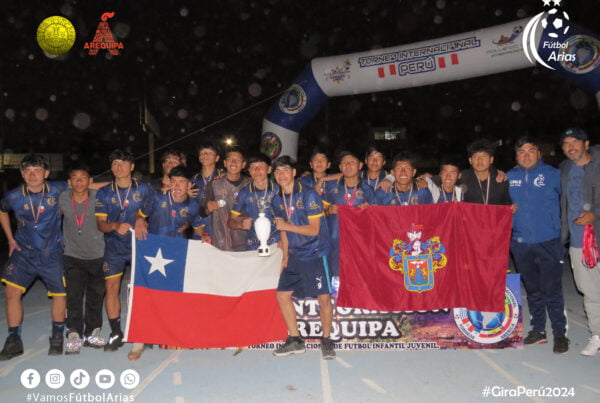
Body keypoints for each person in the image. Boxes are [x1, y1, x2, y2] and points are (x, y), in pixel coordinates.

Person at [0, 154, 69, 359]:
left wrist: (118, 182)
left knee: (60, 293)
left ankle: (57, 335)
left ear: (46, 173)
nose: (32, 175)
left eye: (37, 170)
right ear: (22, 174)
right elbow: (2, 211)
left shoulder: (57, 189)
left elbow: (85, 185)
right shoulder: (13, 196)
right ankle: (14, 340)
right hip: (24, 252)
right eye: (28, 171)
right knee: (12, 292)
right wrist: (10, 239)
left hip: (51, 252)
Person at [130, 166, 202, 359]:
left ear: (189, 185)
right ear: (169, 183)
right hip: (153, 256)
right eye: (174, 181)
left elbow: (199, 227)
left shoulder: (193, 205)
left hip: (177, 255)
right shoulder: (156, 198)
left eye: (181, 182)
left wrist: (203, 236)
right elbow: (139, 214)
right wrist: (139, 221)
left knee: (174, 297)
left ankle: (172, 336)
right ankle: (139, 341)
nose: (177, 186)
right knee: (146, 296)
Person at [270, 156, 335, 360]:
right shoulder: (276, 199)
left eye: (285, 170)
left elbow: (314, 230)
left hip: (315, 253)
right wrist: (285, 255)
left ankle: (326, 340)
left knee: (323, 298)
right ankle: (295, 340)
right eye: (277, 171)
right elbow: (282, 230)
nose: (281, 175)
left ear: (293, 172)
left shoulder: (309, 195)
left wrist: (286, 226)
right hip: (295, 255)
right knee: (282, 295)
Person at [508, 137, 568, 354]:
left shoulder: (553, 174)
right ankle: (538, 330)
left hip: (548, 241)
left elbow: (571, 199)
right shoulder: (508, 177)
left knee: (552, 290)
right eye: (521, 152)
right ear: (516, 156)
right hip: (520, 243)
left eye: (531, 151)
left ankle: (560, 334)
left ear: (539, 153)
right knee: (532, 290)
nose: (526, 156)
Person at [95, 149, 153, 352]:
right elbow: (100, 224)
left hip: (140, 244)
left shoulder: (145, 189)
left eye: (123, 163)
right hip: (114, 246)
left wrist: (140, 218)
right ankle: (116, 332)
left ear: (132, 166)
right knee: (111, 287)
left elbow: (149, 212)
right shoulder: (104, 192)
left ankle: (144, 330)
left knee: (143, 289)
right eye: (115, 163)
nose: (119, 167)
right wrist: (114, 225)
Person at [559, 127, 600, 356]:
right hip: (578, 242)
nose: (571, 147)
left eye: (575, 142)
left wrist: (596, 214)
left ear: (586, 144)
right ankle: (598, 335)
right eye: (566, 144)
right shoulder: (564, 169)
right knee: (590, 291)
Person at [59, 166, 107, 355]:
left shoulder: (99, 197)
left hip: (97, 254)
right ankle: (74, 334)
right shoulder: (62, 198)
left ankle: (92, 333)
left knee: (96, 297)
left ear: (90, 181)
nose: (79, 181)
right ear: (69, 182)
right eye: (75, 178)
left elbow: (116, 187)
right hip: (72, 256)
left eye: (83, 178)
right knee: (74, 297)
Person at [322, 151, 375, 279]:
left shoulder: (368, 190)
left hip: (359, 242)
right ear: (340, 167)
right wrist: (328, 211)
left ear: (360, 165)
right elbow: (318, 215)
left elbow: (375, 220)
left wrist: (366, 212)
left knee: (358, 277)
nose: (348, 165)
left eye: (352, 162)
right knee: (335, 278)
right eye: (344, 163)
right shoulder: (330, 188)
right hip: (335, 242)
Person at [201, 146, 250, 251]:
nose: (233, 163)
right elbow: (202, 212)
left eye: (237, 160)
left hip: (245, 242)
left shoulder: (250, 185)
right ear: (225, 163)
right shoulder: (214, 184)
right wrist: (208, 209)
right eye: (230, 159)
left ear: (243, 164)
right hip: (221, 242)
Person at [229, 154, 280, 251]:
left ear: (269, 169)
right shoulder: (244, 192)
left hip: (277, 244)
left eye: (261, 166)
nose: (256, 170)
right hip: (253, 246)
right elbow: (230, 221)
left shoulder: (278, 190)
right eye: (253, 167)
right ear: (249, 171)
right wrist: (240, 225)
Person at [461, 139, 511, 205]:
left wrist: (512, 207)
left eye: (484, 156)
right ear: (470, 160)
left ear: (491, 160)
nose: (480, 160)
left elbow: (507, 204)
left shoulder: (501, 180)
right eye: (475, 156)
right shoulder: (462, 179)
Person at [191, 142, 224, 239]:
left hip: (222, 231)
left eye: (209, 153)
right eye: (202, 153)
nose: (205, 155)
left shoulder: (225, 177)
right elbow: (191, 208)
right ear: (199, 157)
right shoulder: (192, 181)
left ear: (217, 158)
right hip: (199, 231)